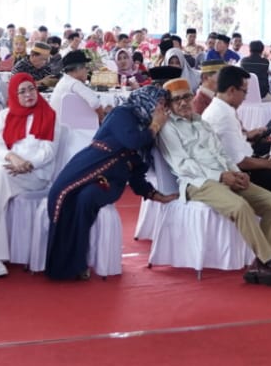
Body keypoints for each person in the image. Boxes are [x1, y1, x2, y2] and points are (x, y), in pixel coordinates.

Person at [157, 72, 271, 288]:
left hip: (225, 175)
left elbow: (221, 153)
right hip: (198, 183)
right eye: (177, 99)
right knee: (240, 207)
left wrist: (236, 172)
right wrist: (220, 176)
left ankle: (261, 266)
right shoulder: (168, 128)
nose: (184, 103)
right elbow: (183, 165)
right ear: (169, 105)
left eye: (186, 97)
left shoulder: (200, 121)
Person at [46, 71, 180, 281]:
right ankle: (62, 262)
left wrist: (155, 195)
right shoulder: (123, 114)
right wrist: (154, 125)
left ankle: (76, 263)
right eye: (160, 105)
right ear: (148, 100)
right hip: (88, 165)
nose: (162, 111)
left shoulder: (148, 131)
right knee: (65, 196)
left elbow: (137, 173)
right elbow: (132, 141)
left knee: (86, 198)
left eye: (164, 106)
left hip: (112, 179)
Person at [0, 72, 59, 277]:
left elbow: (49, 151)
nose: (28, 95)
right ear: (14, 95)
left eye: (31, 89)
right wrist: (13, 158)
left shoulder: (49, 115)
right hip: (10, 169)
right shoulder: (4, 116)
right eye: (22, 91)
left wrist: (27, 163)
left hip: (35, 175)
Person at [207, 66, 271, 219]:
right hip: (239, 174)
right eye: (244, 92)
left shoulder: (220, 107)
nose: (245, 97)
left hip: (244, 163)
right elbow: (240, 162)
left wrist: (250, 139)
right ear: (231, 90)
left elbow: (234, 146)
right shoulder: (223, 115)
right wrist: (268, 164)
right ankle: (264, 225)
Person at [53, 49, 104, 126]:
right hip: (76, 128)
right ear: (77, 69)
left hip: (59, 126)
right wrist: (102, 120)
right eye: (86, 67)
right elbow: (95, 103)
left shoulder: (63, 81)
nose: (87, 71)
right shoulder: (75, 84)